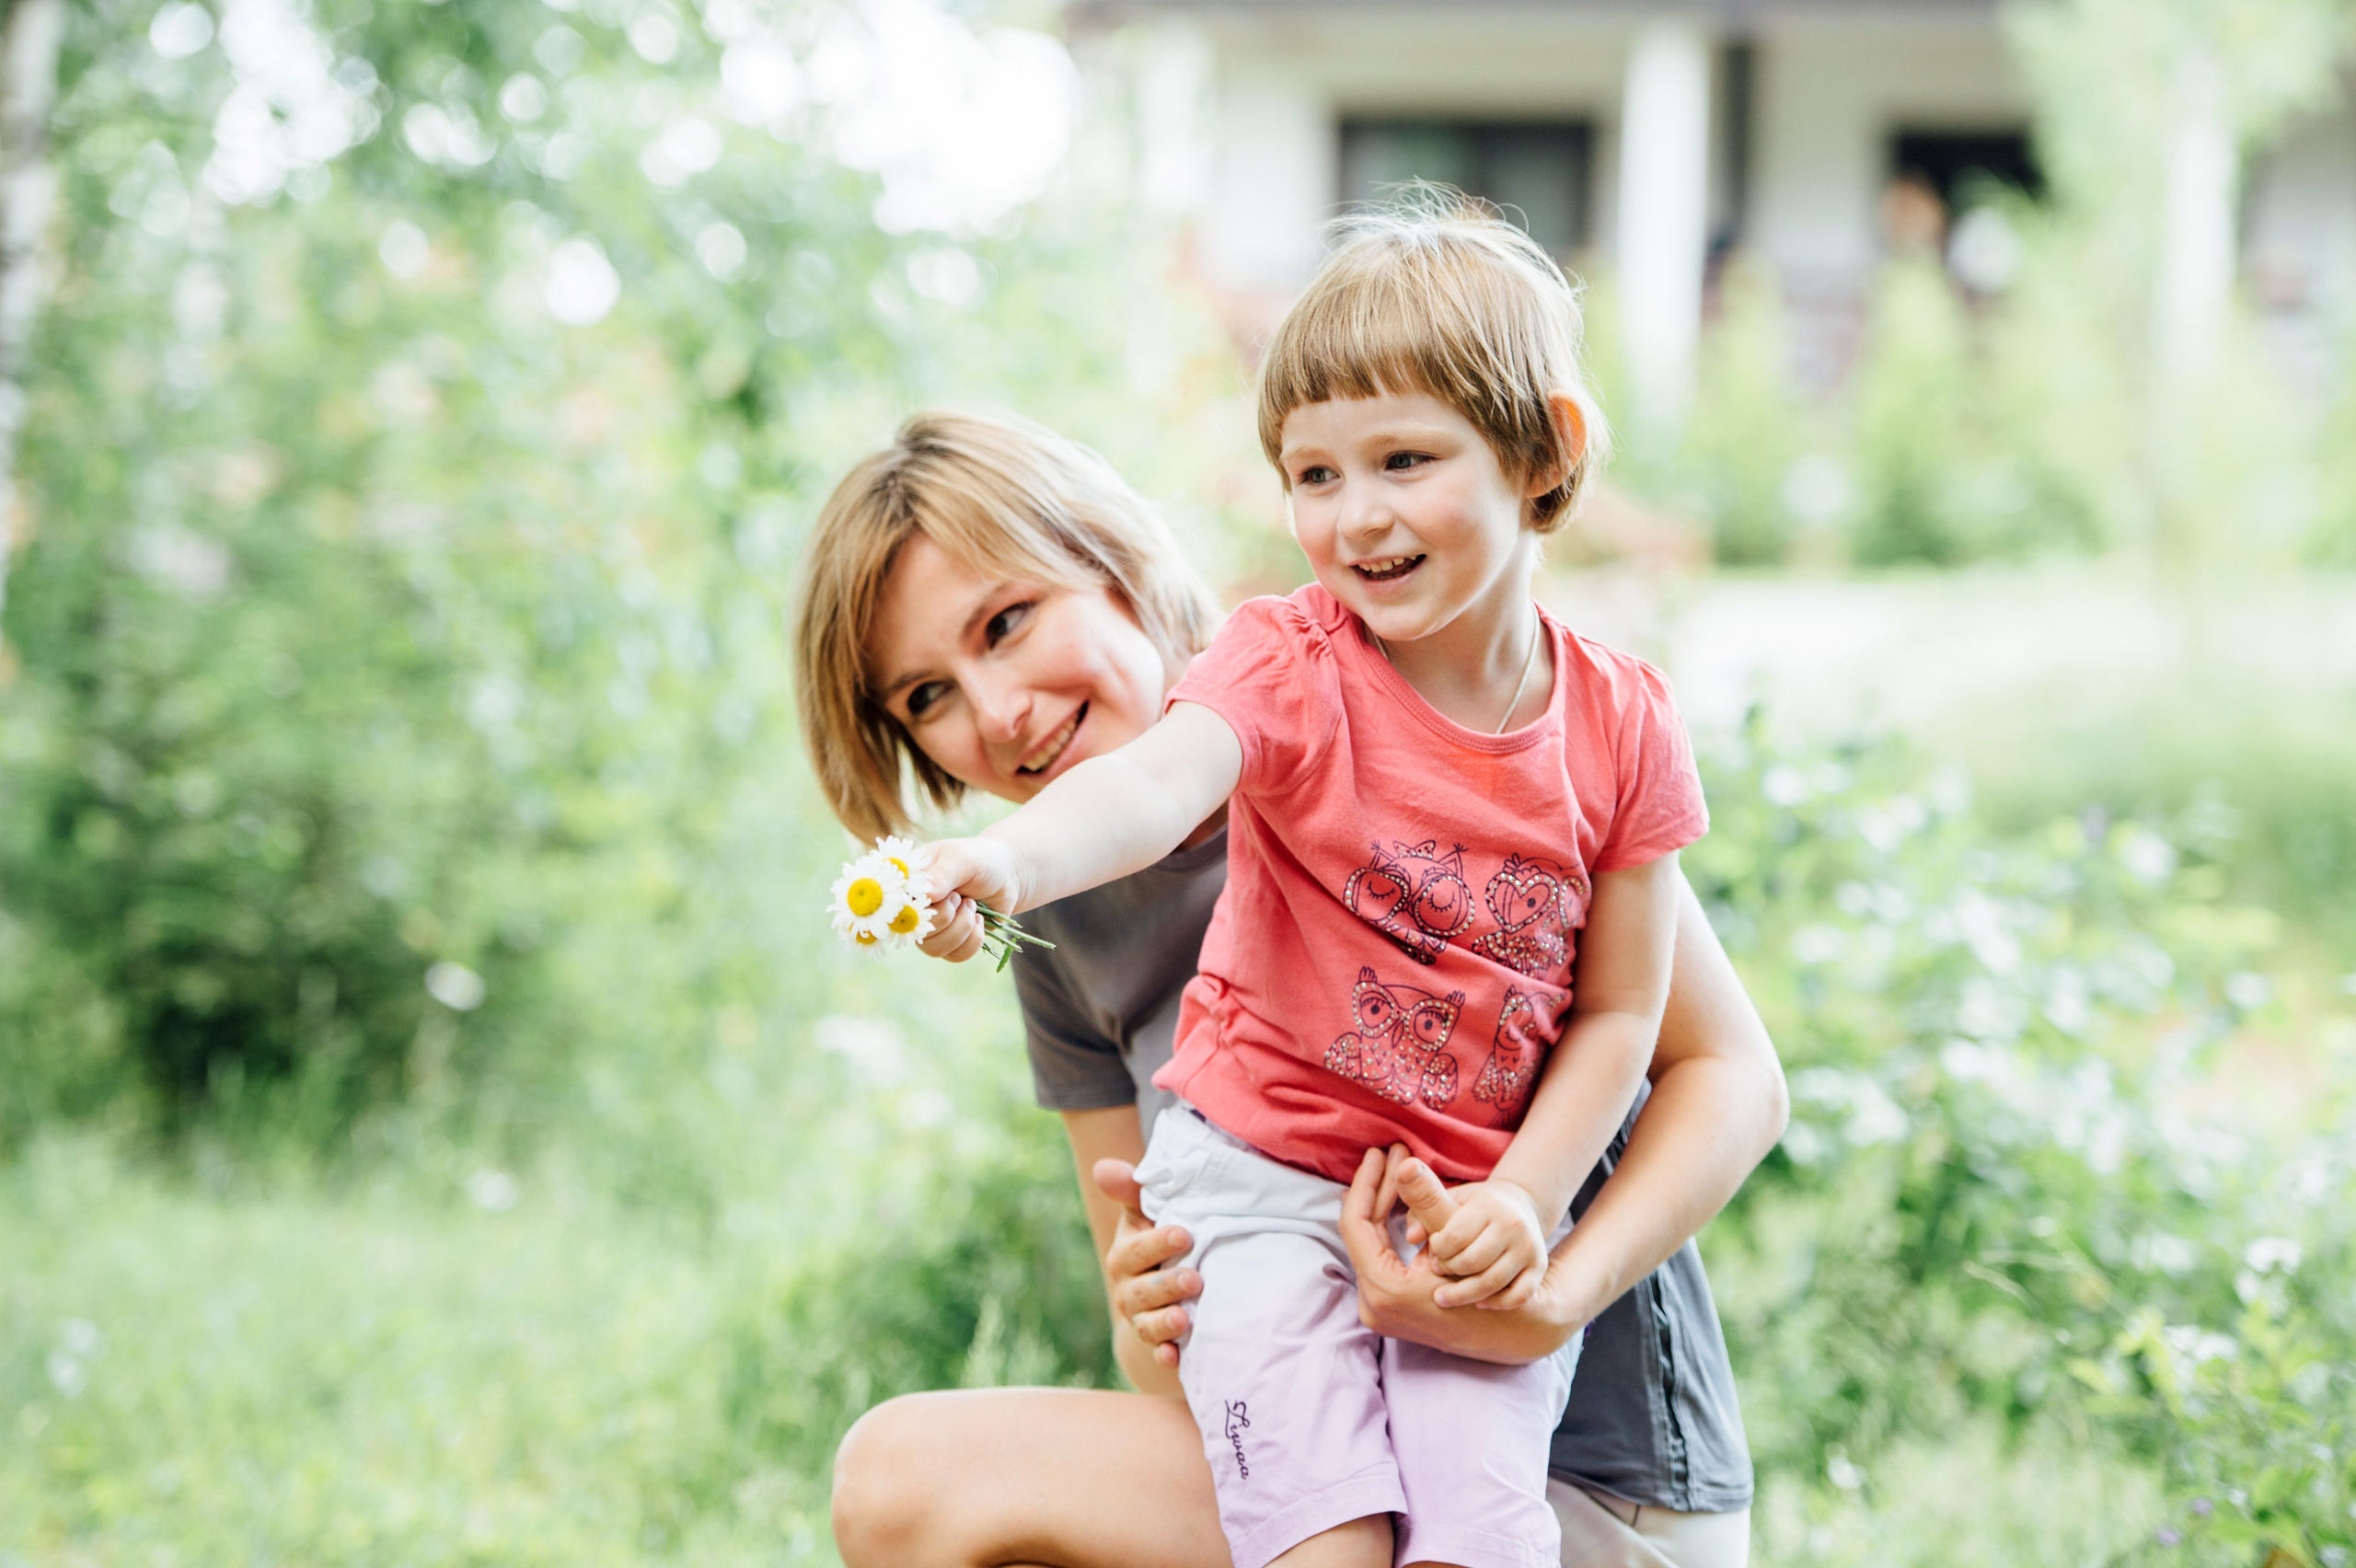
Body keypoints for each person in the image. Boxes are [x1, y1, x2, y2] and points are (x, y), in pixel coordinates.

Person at [798, 406, 1782, 1566]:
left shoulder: (1391, 707)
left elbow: (1732, 1075)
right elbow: (1158, 1371)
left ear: (1110, 561)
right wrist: (1154, 1304)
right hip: (1329, 1475)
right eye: (927, 697)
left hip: (1578, 1475)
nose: (996, 711)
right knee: (899, 1481)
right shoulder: (1061, 927)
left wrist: (1552, 1296)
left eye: (1006, 624)